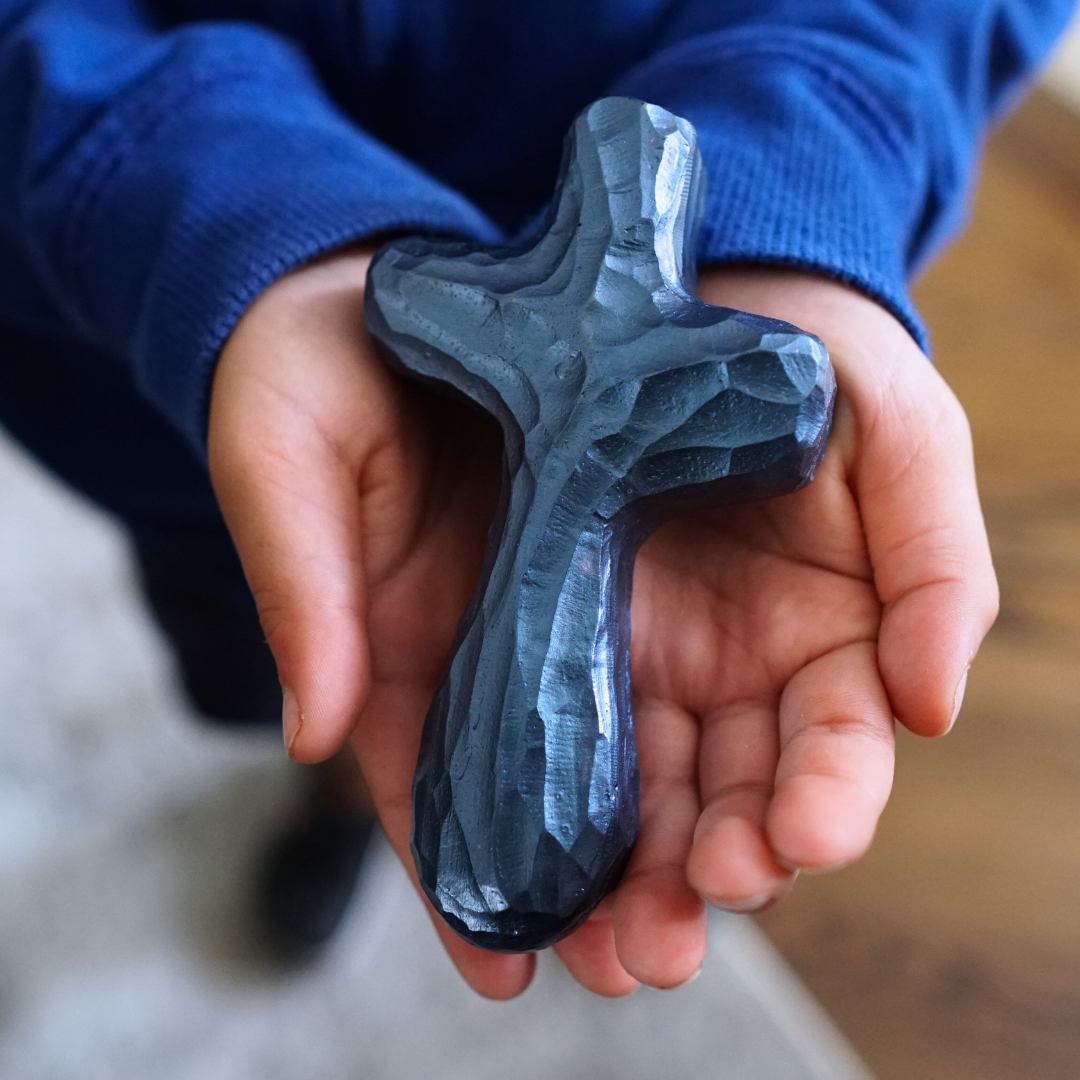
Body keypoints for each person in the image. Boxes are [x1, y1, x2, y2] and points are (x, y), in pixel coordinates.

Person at [0, 0, 1070, 997]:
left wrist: (807, 154)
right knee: (278, 655)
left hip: (673, 185)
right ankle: (329, 798)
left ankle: (359, 807)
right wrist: (244, 228)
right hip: (184, 382)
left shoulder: (682, 365)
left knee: (364, 660)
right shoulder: (461, 317)